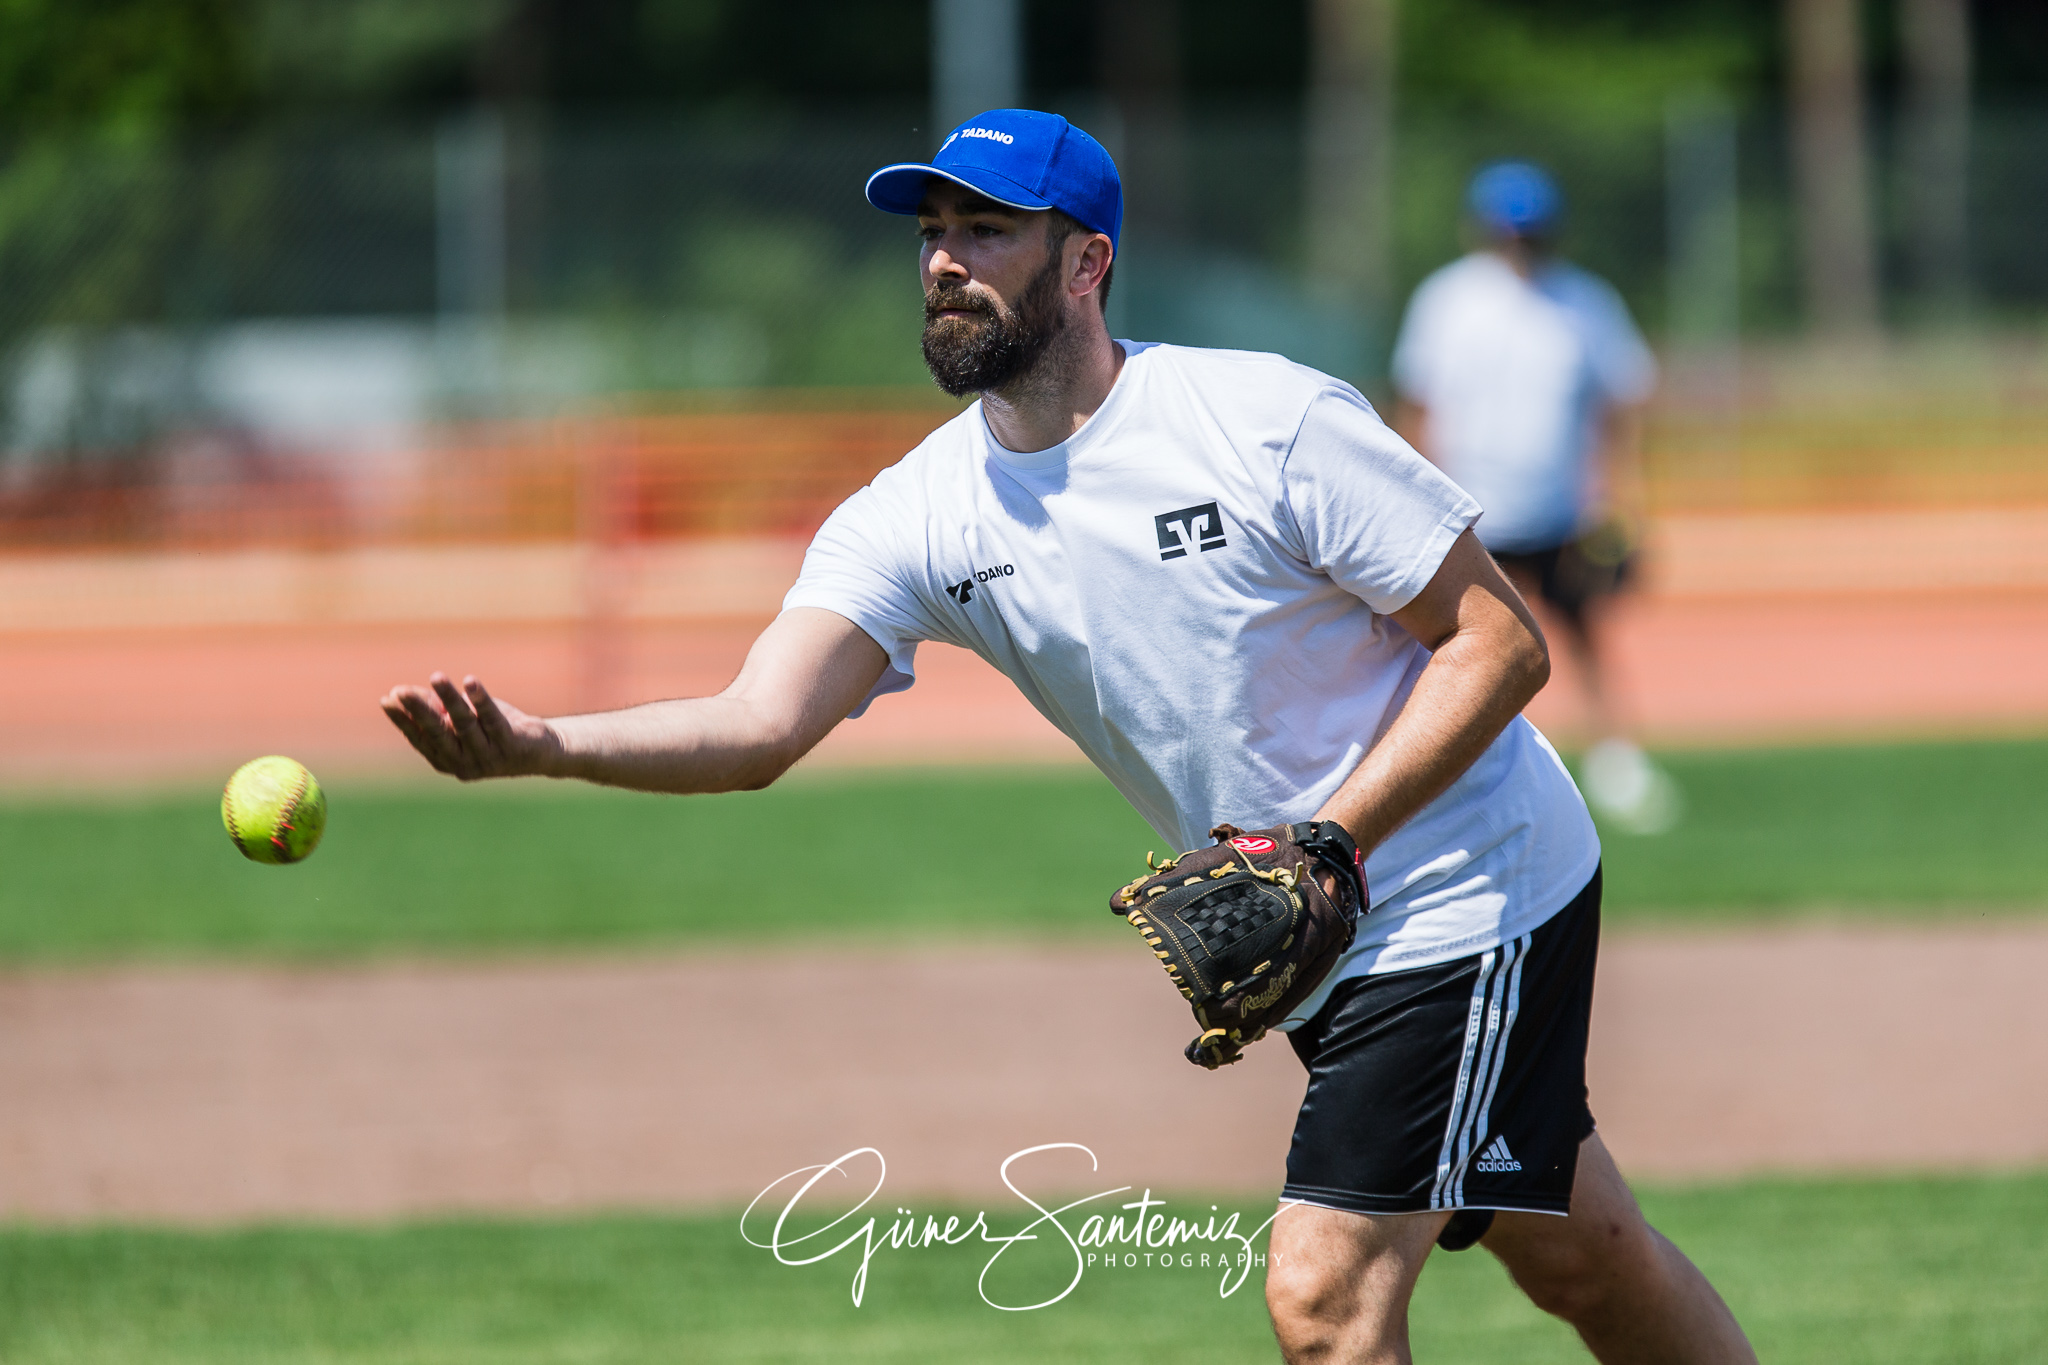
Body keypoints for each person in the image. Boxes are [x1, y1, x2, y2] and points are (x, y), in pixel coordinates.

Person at [381, 110, 1753, 1364]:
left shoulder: (1261, 423)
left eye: (986, 230)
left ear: (1086, 261)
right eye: (931, 234)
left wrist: (1333, 837)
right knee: (1584, 1254)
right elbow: (756, 724)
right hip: (1323, 921)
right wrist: (544, 741)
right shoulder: (918, 515)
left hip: (1464, 883)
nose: (943, 263)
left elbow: (1502, 643)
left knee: (1325, 1304)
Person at [1391, 161, 1679, 834]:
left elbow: (1620, 402)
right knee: (1446, 650)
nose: (1520, 245)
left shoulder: (1586, 302)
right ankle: (1442, 771)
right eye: (1510, 232)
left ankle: (1617, 763)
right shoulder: (1448, 301)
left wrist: (1618, 496)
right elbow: (1419, 406)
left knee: (1585, 636)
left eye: (1531, 233)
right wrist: (1416, 501)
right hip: (1468, 513)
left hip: (1558, 508)